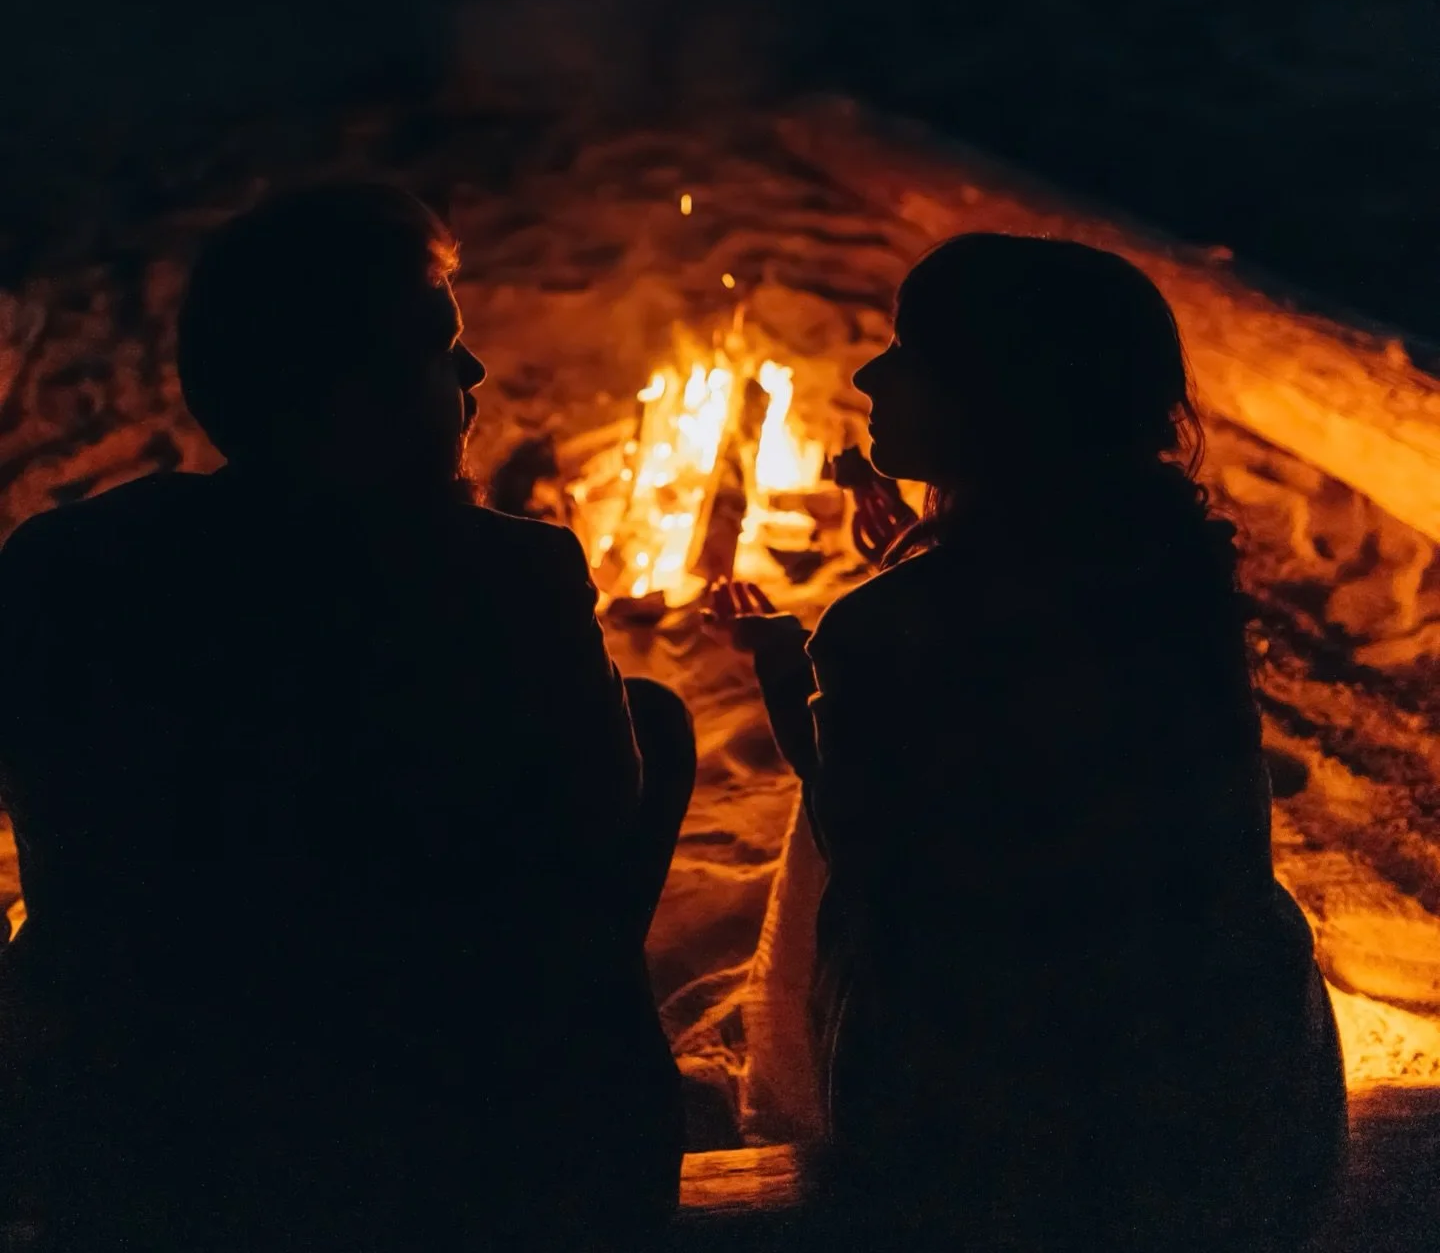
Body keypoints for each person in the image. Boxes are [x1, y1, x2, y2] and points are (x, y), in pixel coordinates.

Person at [0, 182, 694, 1252]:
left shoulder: (61, 561)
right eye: (440, 347)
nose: (472, 374)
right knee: (660, 727)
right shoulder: (506, 574)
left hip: (134, 1100)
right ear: (347, 387)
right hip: (439, 1110)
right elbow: (588, 828)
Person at [717, 233, 1346, 1253]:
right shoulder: (1178, 581)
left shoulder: (886, 629)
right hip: (1250, 1085)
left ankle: (792, 1120)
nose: (871, 373)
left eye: (909, 352)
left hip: (998, 1133)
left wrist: (793, 683)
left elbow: (871, 849)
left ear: (997, 399)